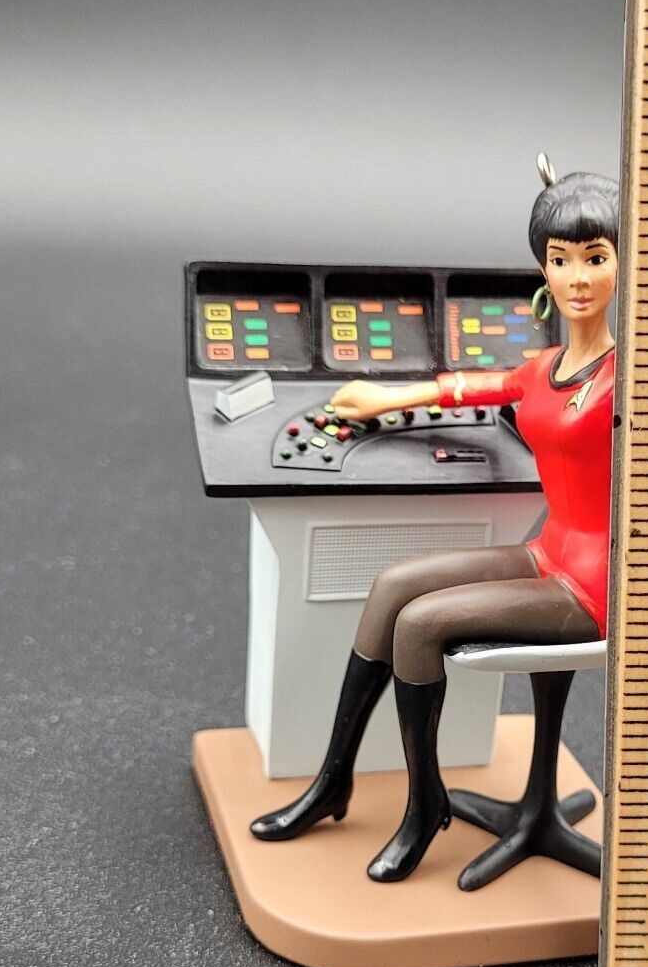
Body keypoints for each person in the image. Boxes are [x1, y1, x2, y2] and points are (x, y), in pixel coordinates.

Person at [250, 160, 617, 883]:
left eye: (596, 258)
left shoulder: (633, 375)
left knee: (420, 626)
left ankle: (425, 808)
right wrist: (381, 397)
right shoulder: (545, 367)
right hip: (550, 550)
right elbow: (472, 385)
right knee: (394, 585)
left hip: (596, 584)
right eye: (561, 260)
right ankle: (332, 782)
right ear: (543, 269)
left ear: (622, 263)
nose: (577, 278)